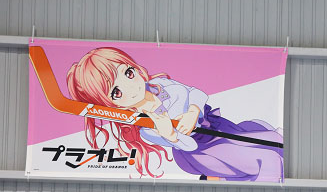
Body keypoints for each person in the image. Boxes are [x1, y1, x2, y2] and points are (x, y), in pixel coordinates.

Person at [66, 47, 284, 181]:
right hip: (202, 151)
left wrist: (192, 111)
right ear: (110, 105)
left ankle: (222, 175)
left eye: (128, 73)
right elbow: (189, 146)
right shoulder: (147, 129)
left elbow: (196, 93)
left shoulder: (160, 84)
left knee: (273, 142)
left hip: (216, 125)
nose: (131, 87)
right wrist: (170, 135)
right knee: (266, 162)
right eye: (116, 92)